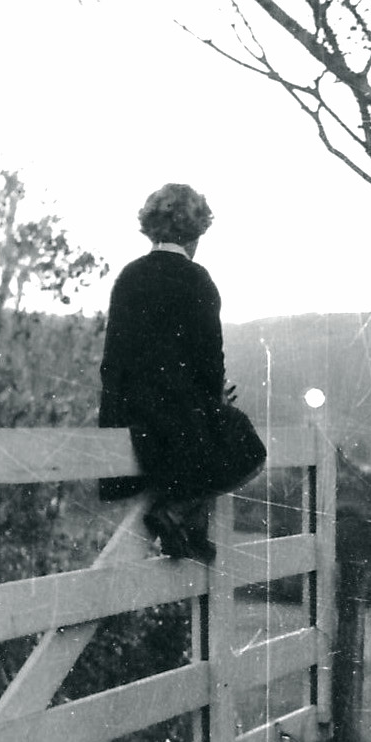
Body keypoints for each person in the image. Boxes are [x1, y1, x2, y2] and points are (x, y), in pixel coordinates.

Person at [99, 183, 265, 561]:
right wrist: (216, 400)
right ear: (196, 231)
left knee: (193, 447)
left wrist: (114, 417)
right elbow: (210, 361)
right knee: (246, 446)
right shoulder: (197, 279)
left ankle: (185, 532)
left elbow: (113, 360)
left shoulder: (129, 276)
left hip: (131, 414)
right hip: (178, 416)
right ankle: (174, 513)